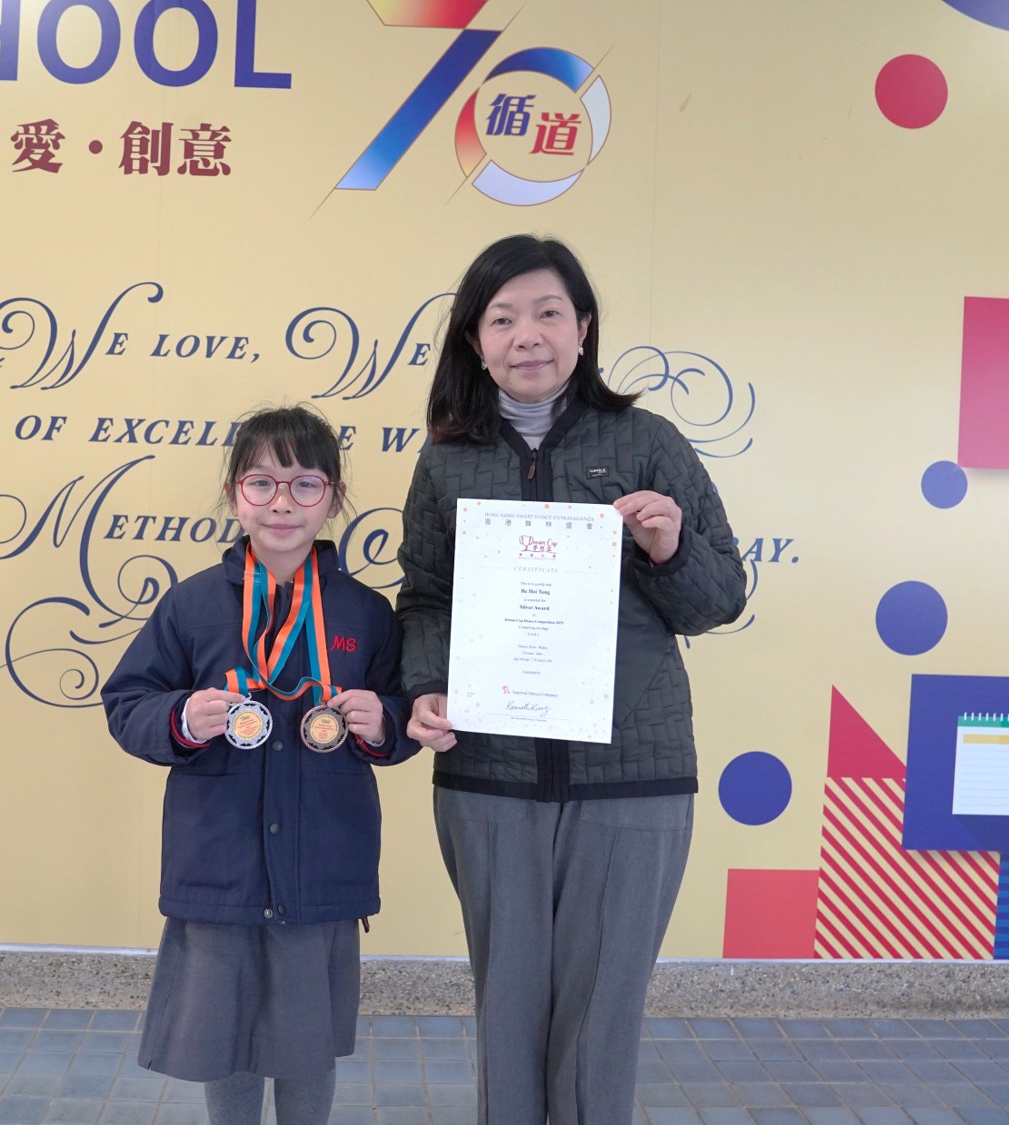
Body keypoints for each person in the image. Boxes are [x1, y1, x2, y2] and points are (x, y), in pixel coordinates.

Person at [397, 234, 747, 1125]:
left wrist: (668, 548)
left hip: (634, 780)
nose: (528, 335)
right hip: (490, 775)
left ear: (583, 328)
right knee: (506, 1013)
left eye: (549, 313)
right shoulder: (445, 460)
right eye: (502, 318)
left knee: (601, 1026)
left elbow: (719, 599)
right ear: (475, 339)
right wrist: (427, 687)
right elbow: (427, 597)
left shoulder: (648, 441)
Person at [102, 404, 419, 1125]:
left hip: (321, 864)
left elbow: (407, 713)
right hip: (219, 863)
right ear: (233, 493)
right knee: (225, 1038)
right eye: (261, 482)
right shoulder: (190, 606)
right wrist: (182, 717)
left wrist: (385, 721)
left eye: (305, 484)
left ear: (334, 498)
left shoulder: (367, 614)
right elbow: (127, 702)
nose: (282, 502)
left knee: (307, 1043)